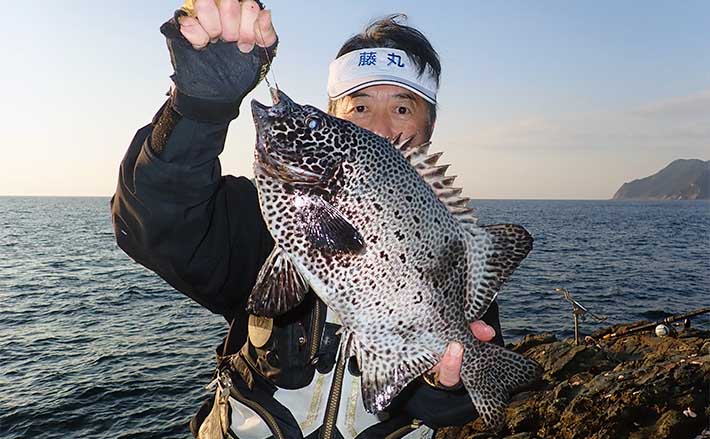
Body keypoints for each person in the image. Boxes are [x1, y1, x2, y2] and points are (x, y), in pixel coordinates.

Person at [111, 1, 504, 438]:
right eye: (358, 107)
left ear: (428, 130)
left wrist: (439, 383)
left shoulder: (456, 250)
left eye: (402, 109)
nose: (378, 127)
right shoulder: (258, 218)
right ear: (332, 116)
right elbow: (150, 225)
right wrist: (198, 109)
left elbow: (455, 406)